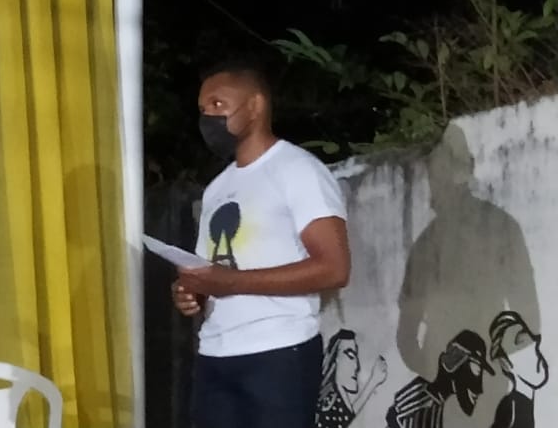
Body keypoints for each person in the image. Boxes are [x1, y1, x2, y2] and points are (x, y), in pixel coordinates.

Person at [172, 59, 351, 428]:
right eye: (203, 110)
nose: (208, 117)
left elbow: (334, 268)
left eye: (218, 105)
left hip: (278, 354)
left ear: (255, 105)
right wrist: (192, 291)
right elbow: (215, 270)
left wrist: (232, 282)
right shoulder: (217, 189)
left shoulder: (297, 169)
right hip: (215, 355)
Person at [386, 330, 494, 428]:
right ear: (455, 362)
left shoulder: (438, 406)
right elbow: (394, 417)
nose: (479, 388)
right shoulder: (422, 400)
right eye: (476, 371)